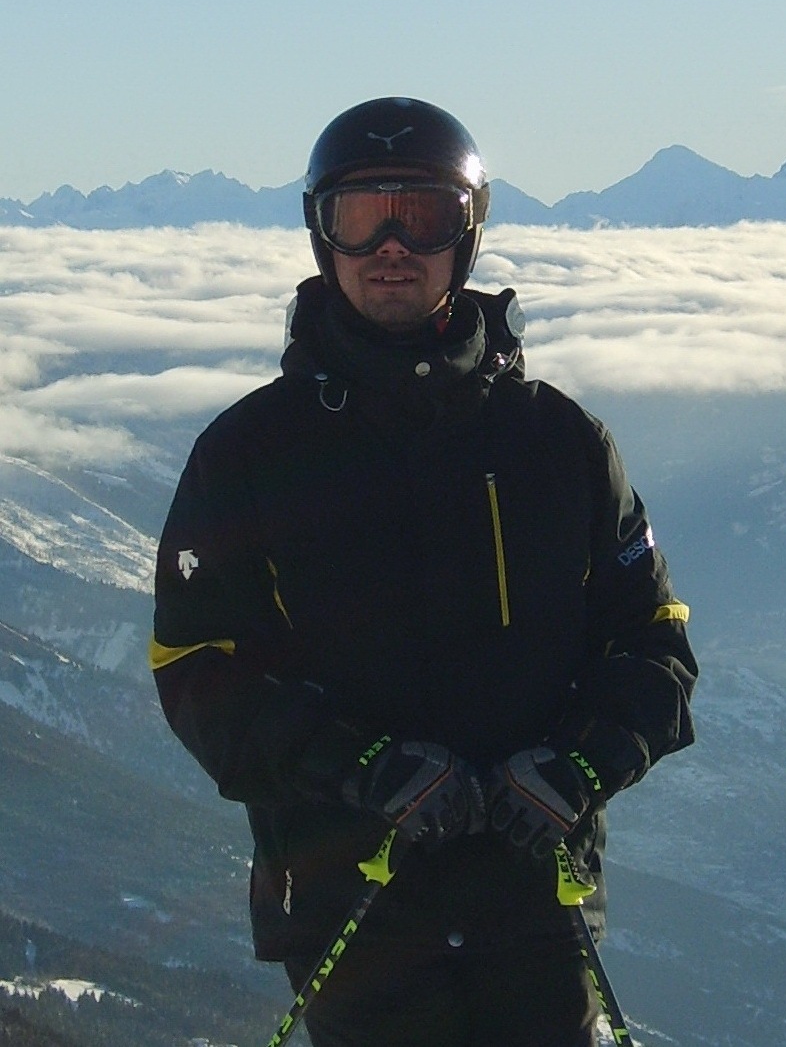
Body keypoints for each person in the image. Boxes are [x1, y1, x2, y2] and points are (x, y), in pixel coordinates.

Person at [150, 96, 698, 1047]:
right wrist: (362, 768)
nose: (392, 247)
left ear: (467, 234)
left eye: (424, 216)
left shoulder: (558, 444)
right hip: (353, 903)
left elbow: (654, 643)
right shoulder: (250, 455)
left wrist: (578, 765)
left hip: (533, 904)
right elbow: (197, 667)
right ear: (322, 237)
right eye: (362, 219)